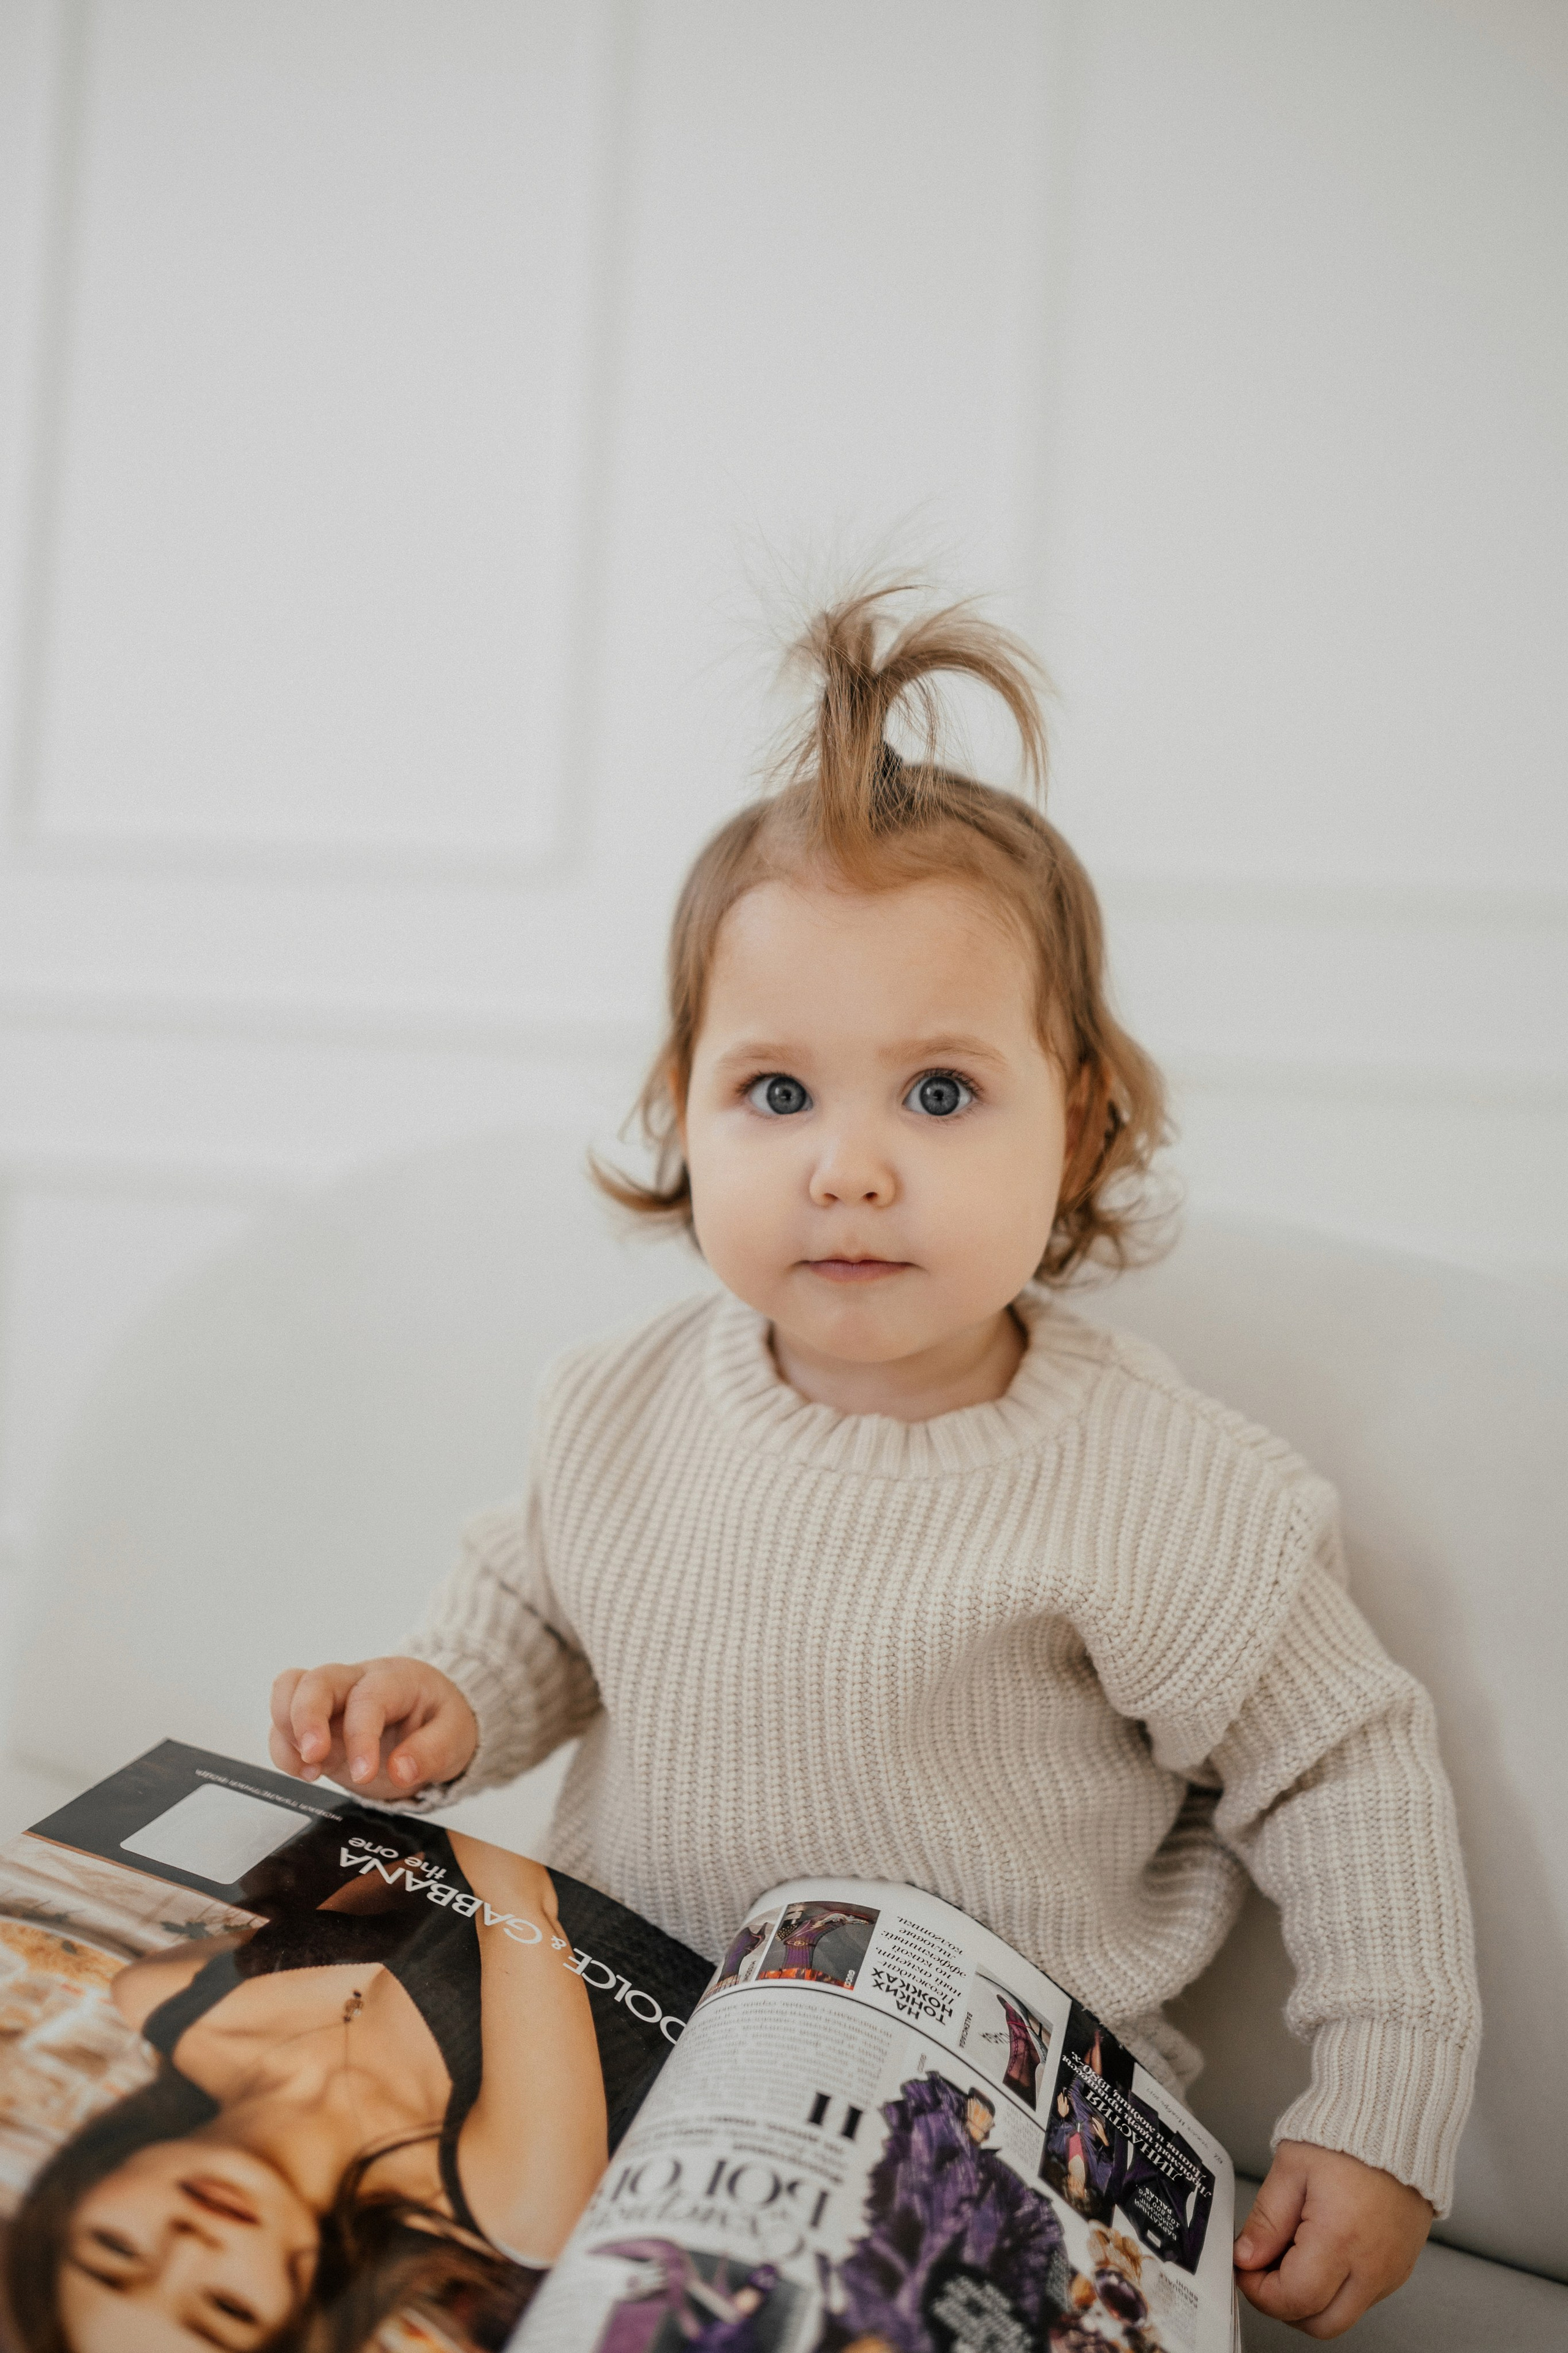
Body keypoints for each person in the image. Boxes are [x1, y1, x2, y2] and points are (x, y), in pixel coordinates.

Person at [268, 584, 1480, 2338]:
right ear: (682, 1109)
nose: (848, 1167)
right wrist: (440, 1702)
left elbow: (1347, 1773)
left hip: (993, 2134)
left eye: (936, 1093)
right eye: (777, 1094)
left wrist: (1379, 2115)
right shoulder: (617, 1407)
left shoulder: (1164, 1484)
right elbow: (529, 1619)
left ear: (1080, 1118)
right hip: (635, 2081)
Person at [4, 1829, 604, 2351]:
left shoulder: (164, 1995)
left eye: (116, 2249)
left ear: (73, 2201)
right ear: (304, 2320)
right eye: (227, 2307)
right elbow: (524, 1904)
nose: (188, 2243)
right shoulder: (524, 2204)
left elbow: (428, 1867)